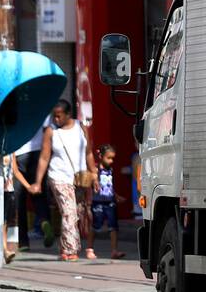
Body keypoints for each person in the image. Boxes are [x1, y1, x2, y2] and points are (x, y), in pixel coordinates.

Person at [34, 100, 95, 262]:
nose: (56, 119)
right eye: (54, 116)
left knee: (78, 214)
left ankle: (64, 247)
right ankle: (70, 250)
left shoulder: (81, 127)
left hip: (79, 178)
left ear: (68, 114)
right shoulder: (51, 131)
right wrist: (38, 182)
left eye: (59, 116)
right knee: (69, 213)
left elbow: (88, 152)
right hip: (58, 177)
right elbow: (44, 157)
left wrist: (94, 172)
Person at [16, 114, 54, 249]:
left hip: (19, 152)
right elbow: (47, 130)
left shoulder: (15, 106)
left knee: (19, 200)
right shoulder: (40, 105)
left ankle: (23, 242)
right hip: (38, 151)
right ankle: (44, 221)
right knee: (39, 193)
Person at [87, 145, 126, 260]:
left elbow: (109, 186)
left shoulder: (110, 170)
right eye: (108, 158)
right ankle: (90, 249)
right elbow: (89, 185)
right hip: (98, 202)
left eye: (112, 158)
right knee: (95, 225)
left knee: (113, 227)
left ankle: (114, 251)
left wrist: (116, 196)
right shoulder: (95, 170)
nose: (111, 161)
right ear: (100, 156)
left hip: (110, 202)